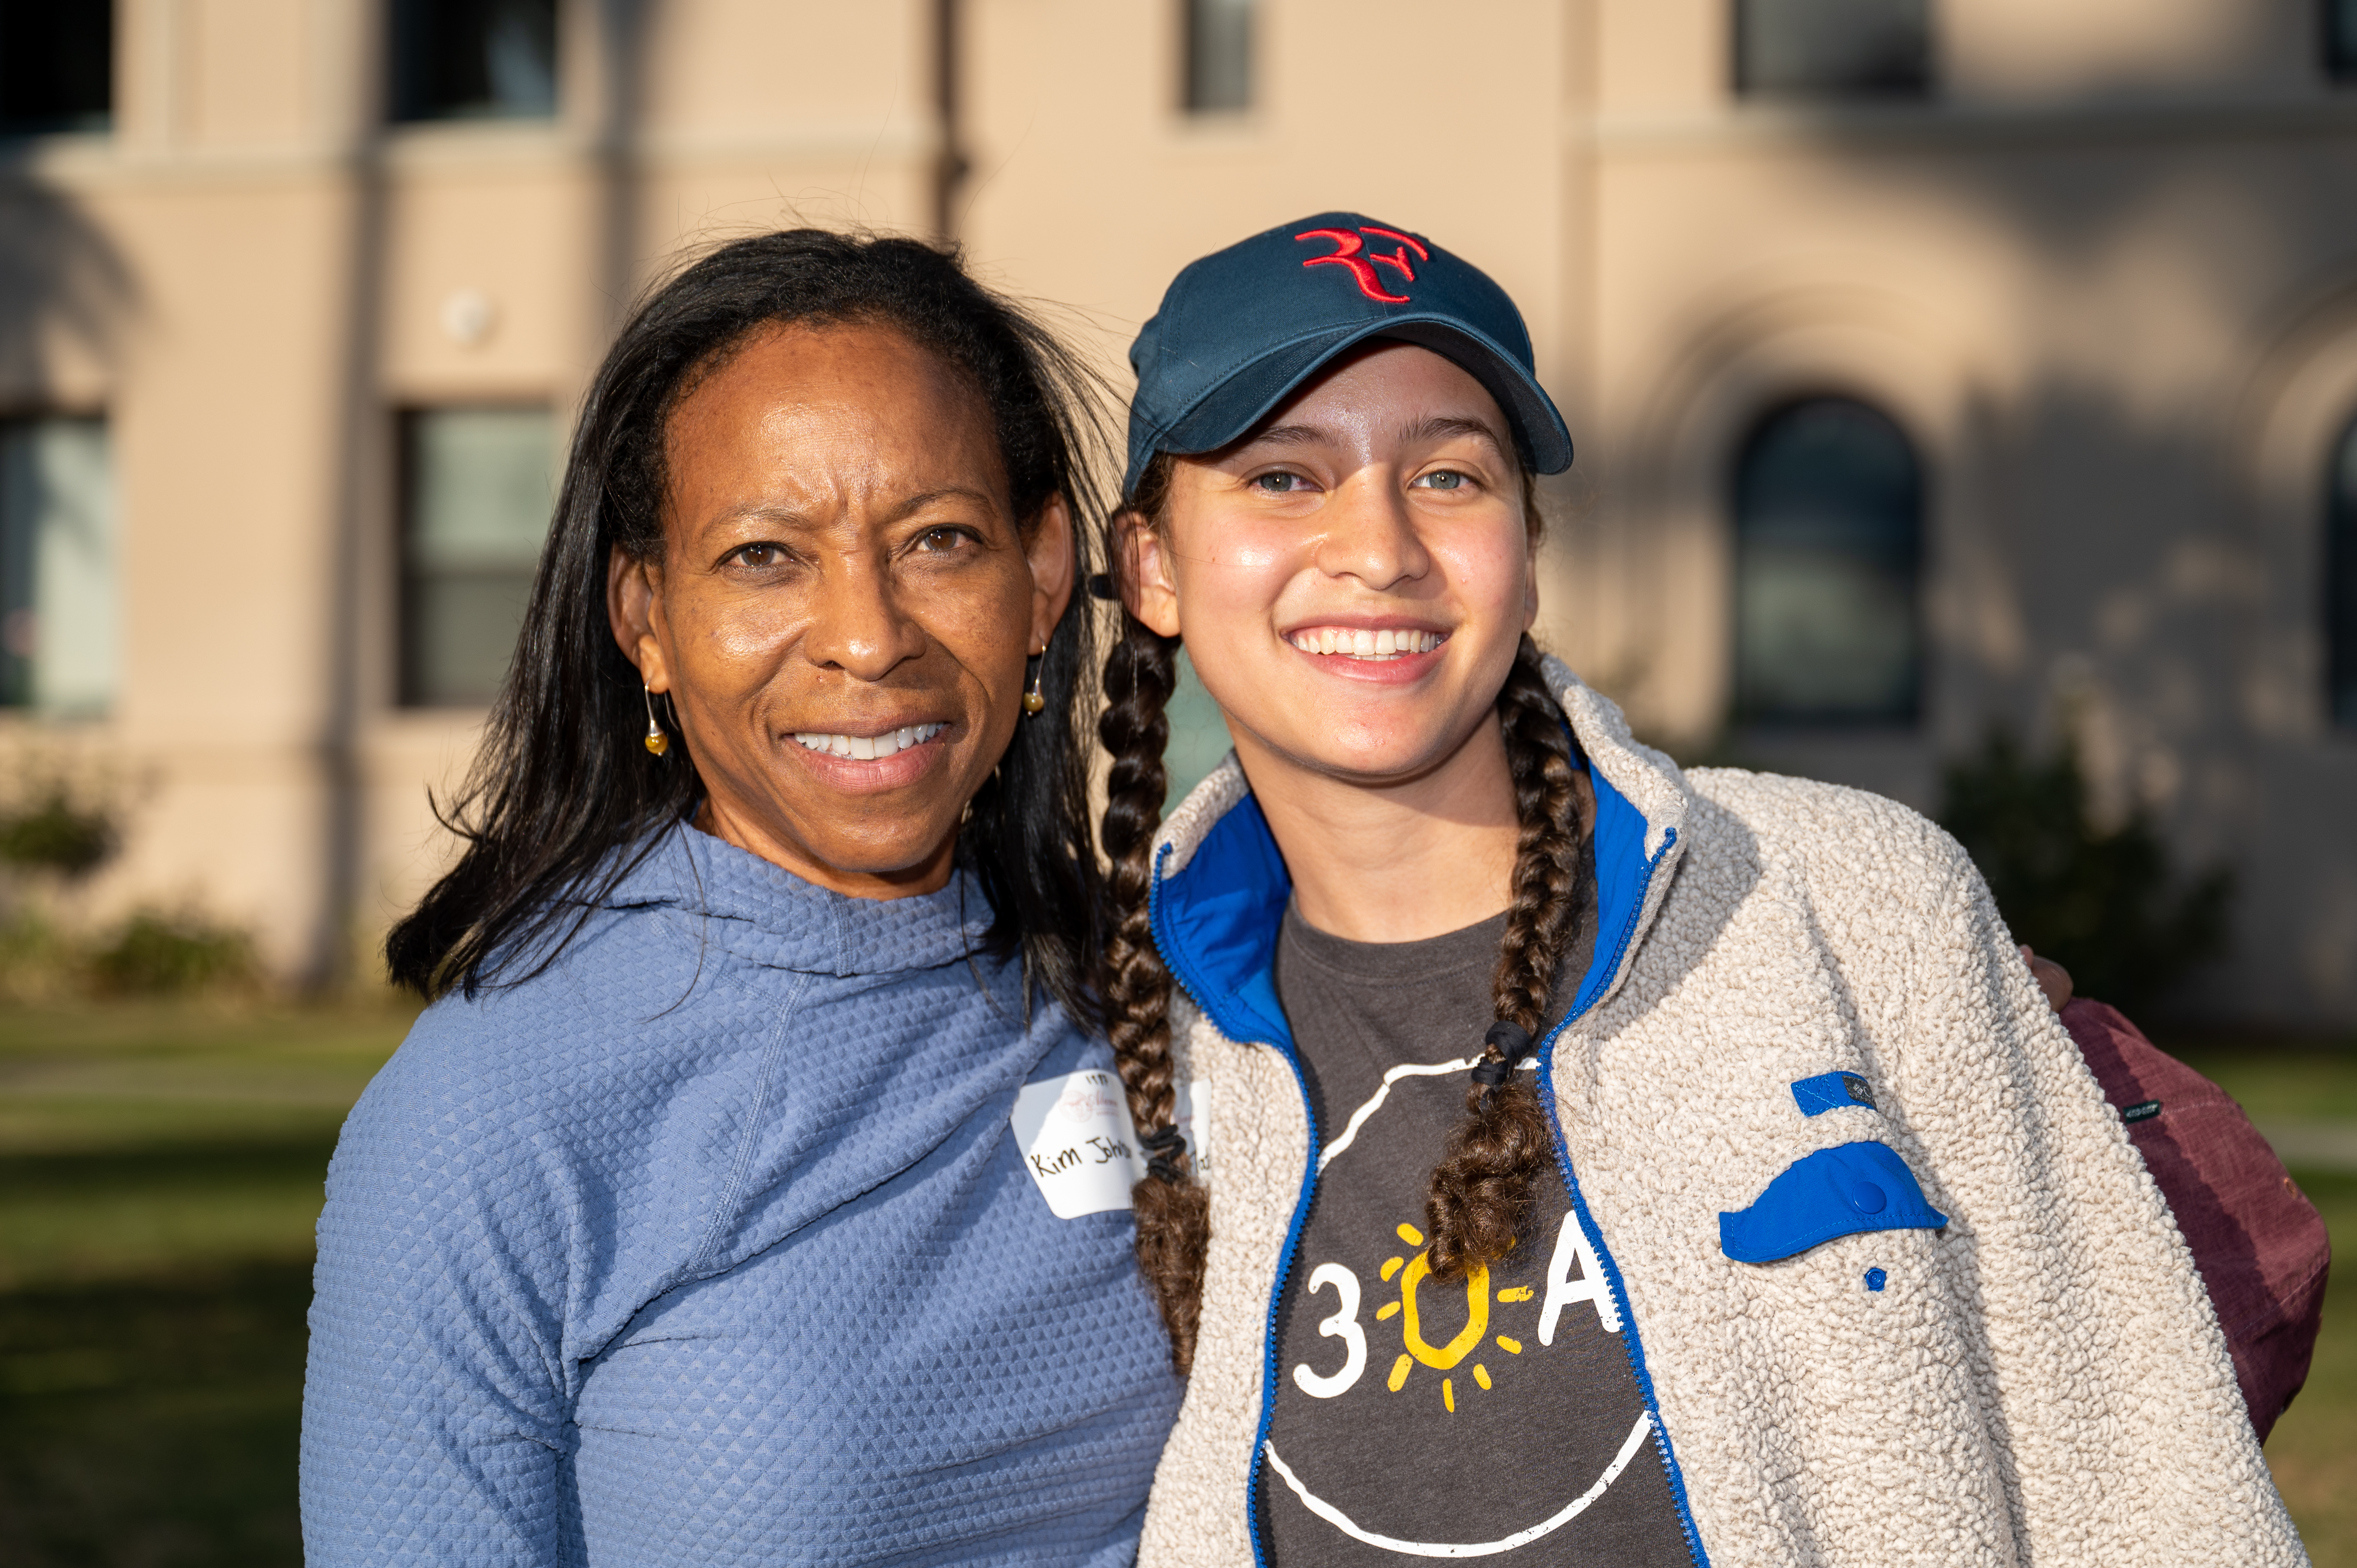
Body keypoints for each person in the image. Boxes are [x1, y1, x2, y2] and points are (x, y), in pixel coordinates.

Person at [1093, 214, 2306, 1566]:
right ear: (1152, 567)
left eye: (1449, 476)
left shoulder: (1845, 898)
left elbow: (2145, 1470)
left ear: (1527, 550)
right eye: (1281, 478)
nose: (1379, 548)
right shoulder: (1142, 1034)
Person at [300, 231, 1183, 1565]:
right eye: (767, 556)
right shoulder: (491, 1114)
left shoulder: (1154, 1006)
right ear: (645, 615)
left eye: (941, 540)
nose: (869, 634)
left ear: (1045, 577)